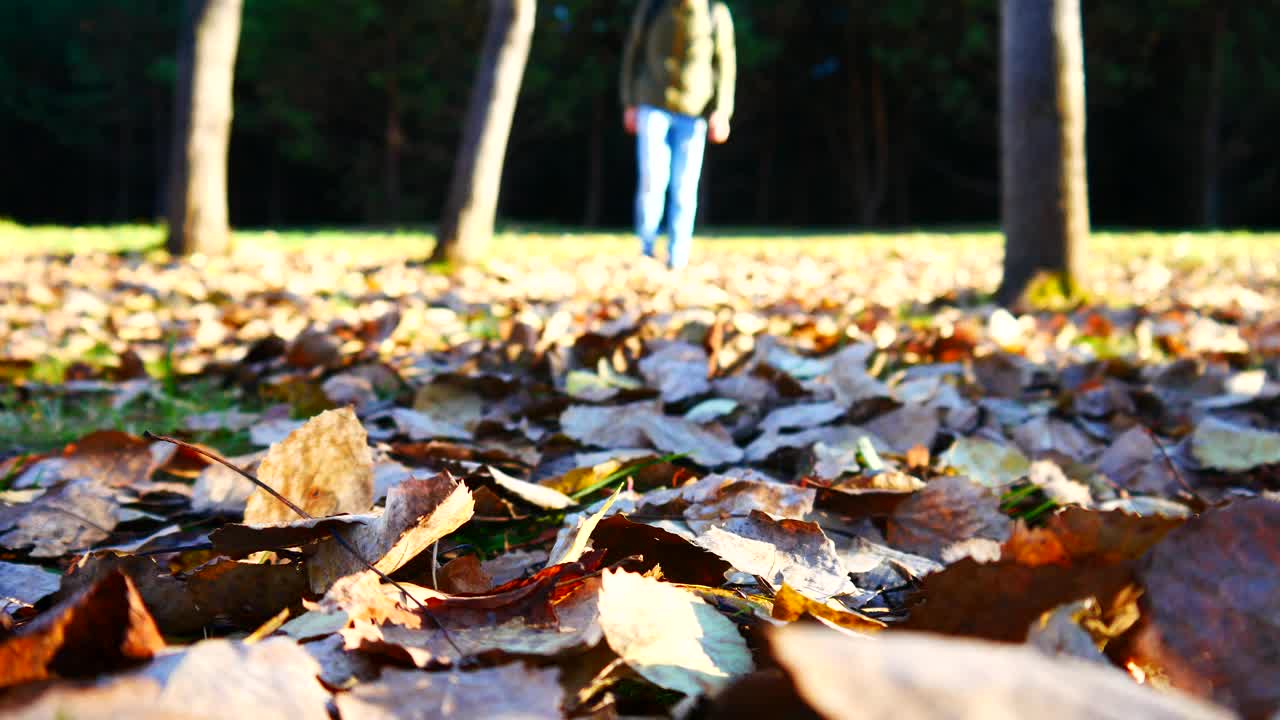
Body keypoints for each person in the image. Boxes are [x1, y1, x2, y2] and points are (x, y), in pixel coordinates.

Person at [620, 0, 735, 269]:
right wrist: (629, 102)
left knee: (684, 187)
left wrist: (722, 111)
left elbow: (725, 64)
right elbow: (633, 53)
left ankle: (678, 257)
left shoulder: (714, 12)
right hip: (652, 104)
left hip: (694, 110)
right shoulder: (652, 7)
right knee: (652, 179)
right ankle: (646, 251)